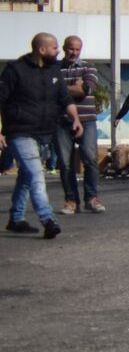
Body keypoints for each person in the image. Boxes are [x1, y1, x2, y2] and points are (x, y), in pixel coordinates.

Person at [2, 33, 82, 239]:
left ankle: (16, 219)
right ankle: (48, 220)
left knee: (26, 178)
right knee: (37, 176)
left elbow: (65, 98)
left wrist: (76, 119)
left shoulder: (54, 71)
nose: (58, 51)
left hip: (45, 133)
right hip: (20, 131)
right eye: (55, 48)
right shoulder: (16, 70)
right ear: (42, 49)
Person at [54, 36, 104, 215]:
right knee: (65, 163)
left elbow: (86, 90)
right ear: (64, 48)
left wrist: (61, 88)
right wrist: (73, 87)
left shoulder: (88, 67)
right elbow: (49, 90)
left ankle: (92, 198)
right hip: (62, 121)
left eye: (77, 49)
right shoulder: (55, 68)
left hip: (86, 119)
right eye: (71, 49)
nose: (74, 53)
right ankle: (71, 200)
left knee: (90, 159)